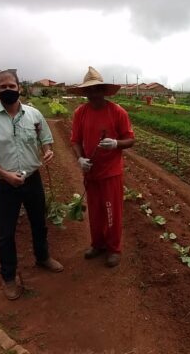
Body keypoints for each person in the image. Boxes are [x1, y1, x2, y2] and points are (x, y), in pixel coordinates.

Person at [0, 69, 63, 300]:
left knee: (39, 222)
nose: (9, 90)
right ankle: (9, 276)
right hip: (4, 184)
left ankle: (42, 258)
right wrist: (4, 174)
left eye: (12, 86)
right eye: (4, 87)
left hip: (32, 179)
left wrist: (48, 151)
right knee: (6, 232)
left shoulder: (33, 115)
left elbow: (46, 140)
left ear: (19, 88)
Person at [70, 66, 135, 267]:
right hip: (91, 172)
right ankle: (97, 244)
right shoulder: (80, 113)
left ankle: (114, 248)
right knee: (95, 212)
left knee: (111, 212)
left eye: (96, 89)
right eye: (88, 90)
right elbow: (75, 141)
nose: (92, 94)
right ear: (85, 93)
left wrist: (116, 143)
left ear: (103, 90)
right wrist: (80, 159)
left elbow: (130, 140)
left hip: (111, 173)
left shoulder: (117, 112)